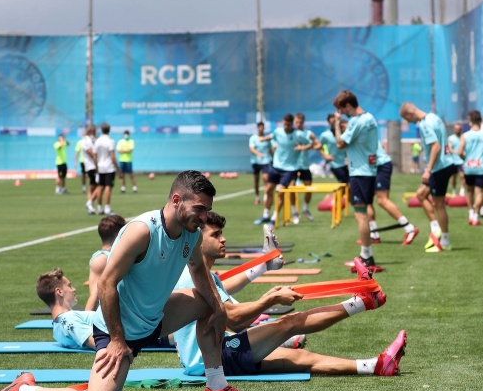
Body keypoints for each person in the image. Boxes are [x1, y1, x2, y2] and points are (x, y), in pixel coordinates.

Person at [0, 171, 259, 391]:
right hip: (118, 330)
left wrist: (219, 308)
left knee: (209, 302)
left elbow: (198, 270)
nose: (203, 217)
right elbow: (106, 284)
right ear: (177, 200)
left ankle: (216, 386)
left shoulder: (193, 234)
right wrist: (118, 341)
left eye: (207, 210)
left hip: (156, 319)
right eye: (199, 209)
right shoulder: (142, 231)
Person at [172, 211, 406, 377]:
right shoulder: (193, 276)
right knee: (289, 323)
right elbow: (234, 318)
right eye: (215, 235)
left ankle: (377, 365)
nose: (223, 239)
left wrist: (266, 297)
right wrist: (270, 300)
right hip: (210, 359)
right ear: (198, 241)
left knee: (302, 358)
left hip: (212, 354)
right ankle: (363, 301)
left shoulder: (206, 276)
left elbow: (239, 321)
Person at [333, 90, 382, 270]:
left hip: (360, 173)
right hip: (367, 171)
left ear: (348, 105)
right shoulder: (369, 118)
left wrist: (337, 124)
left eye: (341, 109)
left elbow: (340, 144)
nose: (341, 113)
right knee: (363, 214)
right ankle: (365, 255)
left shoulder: (357, 121)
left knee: (360, 215)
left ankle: (367, 258)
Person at [400, 102, 457, 253]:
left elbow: (436, 146)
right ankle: (435, 228)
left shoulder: (425, 124)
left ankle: (445, 242)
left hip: (439, 167)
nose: (409, 122)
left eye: (407, 119)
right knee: (421, 194)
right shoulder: (434, 117)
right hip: (446, 163)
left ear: (410, 113)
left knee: (439, 204)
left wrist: (428, 170)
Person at [254, 113, 310, 226]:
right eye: (284, 124)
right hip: (276, 167)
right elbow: (271, 136)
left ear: (292, 124)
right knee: (268, 190)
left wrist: (302, 147)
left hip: (289, 169)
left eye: (288, 125)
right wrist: (263, 139)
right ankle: (266, 215)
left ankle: (274, 218)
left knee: (280, 191)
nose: (286, 126)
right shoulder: (278, 131)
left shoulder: (298, 134)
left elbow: (310, 144)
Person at [364, 139, 419, 245]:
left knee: (382, 200)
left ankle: (409, 228)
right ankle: (374, 235)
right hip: (371, 167)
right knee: (366, 200)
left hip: (380, 166)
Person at [37, 268, 96, 349]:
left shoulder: (60, 325)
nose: (74, 289)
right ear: (59, 292)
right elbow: (99, 343)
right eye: (69, 286)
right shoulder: (68, 320)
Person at [455, 110, 483, 226]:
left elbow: (460, 152)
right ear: (481, 121)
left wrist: (465, 158)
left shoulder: (465, 136)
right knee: (479, 192)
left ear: (470, 121)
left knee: (469, 191)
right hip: (481, 167)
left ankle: (470, 213)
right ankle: (475, 216)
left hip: (469, 167)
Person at [85, 214, 127, 310]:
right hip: (111, 313)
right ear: (118, 233)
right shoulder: (102, 259)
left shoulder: (116, 255)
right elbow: (94, 296)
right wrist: (87, 318)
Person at [91, 123, 120, 216]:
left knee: (100, 187)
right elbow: (112, 156)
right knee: (108, 187)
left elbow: (94, 156)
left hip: (100, 166)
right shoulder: (110, 141)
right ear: (109, 130)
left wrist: (96, 167)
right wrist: (118, 169)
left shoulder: (97, 141)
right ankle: (107, 208)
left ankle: (99, 207)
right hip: (109, 167)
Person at [294, 113, 319, 221]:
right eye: (296, 122)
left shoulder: (308, 134)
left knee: (309, 188)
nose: (298, 124)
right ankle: (294, 212)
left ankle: (305, 208)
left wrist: (308, 147)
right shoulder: (292, 133)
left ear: (303, 122)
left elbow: (318, 144)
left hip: (304, 165)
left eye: (300, 122)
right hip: (293, 166)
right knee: (291, 189)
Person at [319, 115, 349, 184]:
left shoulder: (345, 133)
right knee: (346, 182)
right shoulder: (325, 135)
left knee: (351, 184)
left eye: (335, 122)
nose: (334, 124)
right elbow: (319, 146)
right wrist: (326, 156)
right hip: (335, 163)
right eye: (332, 122)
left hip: (347, 163)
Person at [249, 121, 273, 205]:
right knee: (256, 181)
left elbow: (270, 149)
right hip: (255, 162)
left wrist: (273, 157)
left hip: (265, 161)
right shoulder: (253, 138)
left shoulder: (266, 139)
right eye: (259, 127)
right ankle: (257, 197)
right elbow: (252, 149)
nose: (260, 129)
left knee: (266, 179)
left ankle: (266, 197)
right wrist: (258, 154)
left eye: (262, 127)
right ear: (257, 128)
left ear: (263, 128)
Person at [82, 125, 99, 215]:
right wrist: (98, 160)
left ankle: (90, 206)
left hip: (93, 165)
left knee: (93, 186)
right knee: (99, 185)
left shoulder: (92, 139)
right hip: (91, 166)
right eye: (94, 131)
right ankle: (90, 202)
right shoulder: (86, 140)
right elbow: (90, 152)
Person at [446, 123, 466, 196]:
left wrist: (463, 154)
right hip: (453, 161)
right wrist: (458, 152)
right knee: (453, 178)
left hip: (461, 161)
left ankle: (462, 191)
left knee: (462, 176)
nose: (458, 130)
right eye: (456, 129)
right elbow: (450, 149)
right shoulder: (450, 138)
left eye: (459, 129)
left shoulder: (464, 137)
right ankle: (454, 190)